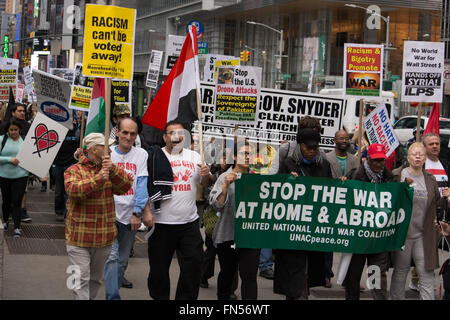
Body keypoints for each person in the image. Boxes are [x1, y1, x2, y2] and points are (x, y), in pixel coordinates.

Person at [144, 120, 213, 300]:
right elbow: (143, 185)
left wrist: (207, 175)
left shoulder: (194, 156)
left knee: (193, 268)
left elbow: (205, 183)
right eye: (172, 133)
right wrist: (146, 211)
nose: (176, 137)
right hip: (161, 225)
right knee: (158, 272)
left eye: (180, 133)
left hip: (189, 224)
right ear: (165, 137)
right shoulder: (154, 157)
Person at [64, 132, 133, 300]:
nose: (110, 149)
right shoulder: (74, 170)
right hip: (79, 237)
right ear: (94, 149)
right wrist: (98, 179)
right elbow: (74, 191)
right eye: (106, 146)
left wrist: (113, 169)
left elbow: (126, 185)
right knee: (80, 279)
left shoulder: (109, 169)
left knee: (95, 279)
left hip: (104, 236)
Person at [274, 128, 332, 300]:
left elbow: (330, 192)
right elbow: (276, 192)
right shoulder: (288, 163)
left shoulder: (324, 165)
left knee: (311, 268)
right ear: (300, 146)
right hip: (293, 227)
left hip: (314, 227)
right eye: (308, 148)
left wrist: (340, 184)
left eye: (315, 148)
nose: (311, 151)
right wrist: (286, 182)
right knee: (294, 270)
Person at [209, 140, 261, 300]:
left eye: (251, 154)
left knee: (249, 276)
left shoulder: (258, 178)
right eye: (245, 154)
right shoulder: (225, 177)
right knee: (227, 273)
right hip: (227, 234)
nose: (248, 157)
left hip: (250, 237)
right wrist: (225, 187)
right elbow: (216, 205)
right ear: (235, 156)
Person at [104, 118, 149, 300]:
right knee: (112, 257)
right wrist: (79, 155)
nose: (128, 137)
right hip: (109, 214)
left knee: (122, 261)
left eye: (132, 133)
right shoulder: (106, 154)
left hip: (130, 216)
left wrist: (137, 212)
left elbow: (141, 184)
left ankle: (113, 280)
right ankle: (112, 296)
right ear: (117, 132)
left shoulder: (141, 155)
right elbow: (85, 161)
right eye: (125, 132)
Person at [390, 142, 441, 300]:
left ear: (425, 158)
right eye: (414, 154)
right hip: (402, 235)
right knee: (400, 272)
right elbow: (387, 200)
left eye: (421, 154)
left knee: (426, 273)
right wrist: (403, 187)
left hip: (422, 235)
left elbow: (437, 202)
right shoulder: (397, 175)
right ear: (408, 157)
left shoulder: (430, 179)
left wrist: (446, 198)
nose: (418, 157)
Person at [343, 143, 394, 300]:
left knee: (376, 274)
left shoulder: (389, 179)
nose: (379, 164)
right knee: (353, 276)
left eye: (382, 161)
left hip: (378, 238)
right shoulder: (354, 176)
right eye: (376, 160)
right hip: (358, 238)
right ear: (368, 159)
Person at [324, 129, 358, 288]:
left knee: (349, 242)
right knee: (329, 242)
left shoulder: (355, 160)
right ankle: (326, 274)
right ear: (334, 140)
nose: (344, 141)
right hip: (331, 205)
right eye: (341, 138)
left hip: (350, 207)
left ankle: (347, 277)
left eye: (347, 138)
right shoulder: (326, 157)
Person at [0, 119, 29, 237]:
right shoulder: (2, 139)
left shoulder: (25, 141)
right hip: (4, 176)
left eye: (15, 130)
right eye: (11, 130)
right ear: (7, 130)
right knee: (6, 201)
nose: (13, 132)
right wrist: (9, 159)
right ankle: (6, 221)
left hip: (21, 175)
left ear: (20, 130)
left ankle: (17, 227)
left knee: (17, 201)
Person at [52, 114, 80, 221]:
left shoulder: (78, 132)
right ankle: (59, 211)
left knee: (69, 191)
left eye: (73, 119)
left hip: (71, 164)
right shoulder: (58, 129)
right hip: (58, 163)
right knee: (59, 191)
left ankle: (67, 211)